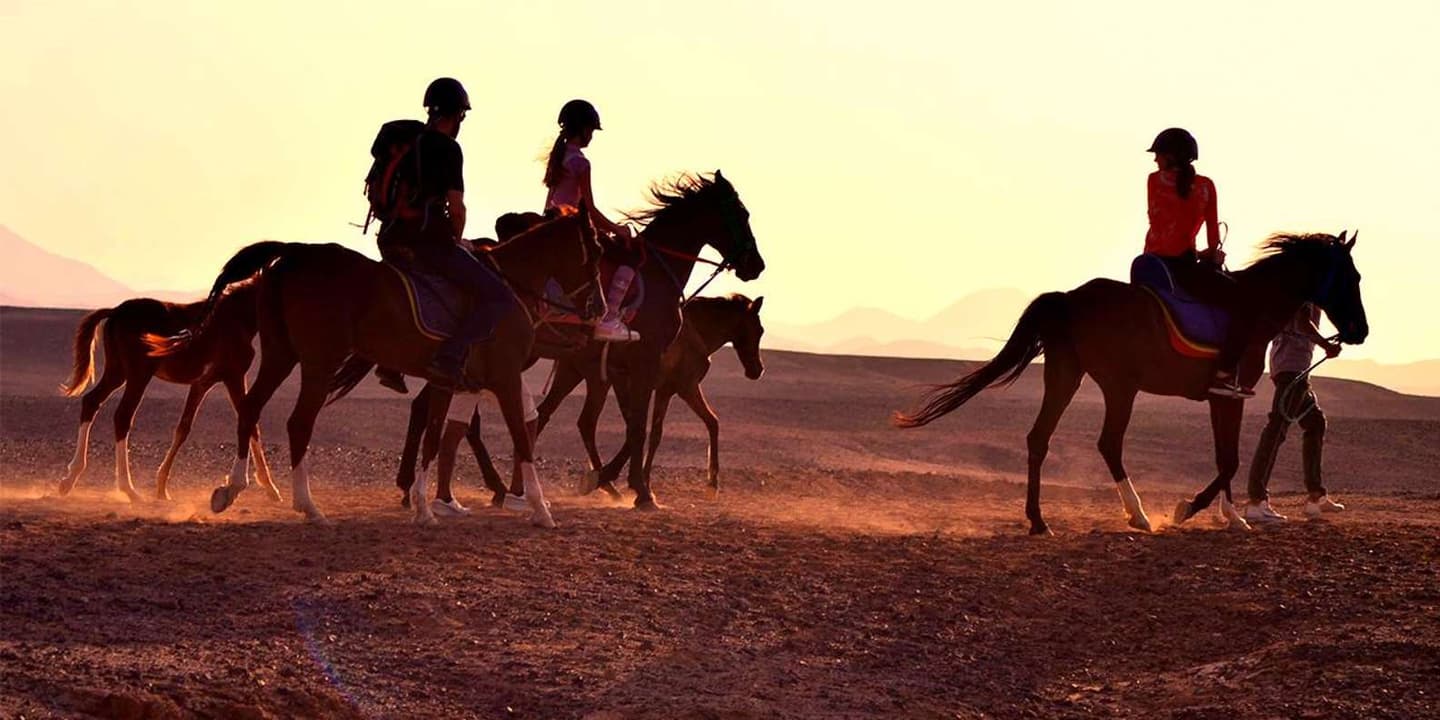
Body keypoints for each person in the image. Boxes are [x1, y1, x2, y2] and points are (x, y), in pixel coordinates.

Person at [375, 78, 516, 389]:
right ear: (458, 115)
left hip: (390, 238)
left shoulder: (409, 141)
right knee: (499, 297)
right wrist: (456, 240)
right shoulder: (448, 149)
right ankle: (449, 358)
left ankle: (391, 363)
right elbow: (457, 207)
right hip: (429, 245)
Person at [1143, 127, 1254, 398]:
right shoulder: (1205, 187)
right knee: (1245, 305)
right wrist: (1210, 254)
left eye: (1159, 154)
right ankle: (1223, 374)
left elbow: (1160, 224)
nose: (1155, 159)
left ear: (1172, 156)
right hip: (1182, 267)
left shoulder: (1153, 181)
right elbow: (1212, 236)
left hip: (1149, 264)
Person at [543, 99, 640, 343]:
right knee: (630, 256)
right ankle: (609, 318)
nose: (592, 137)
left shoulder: (558, 158)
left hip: (552, 224)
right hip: (572, 228)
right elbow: (589, 210)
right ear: (584, 130)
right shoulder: (580, 163)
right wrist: (618, 230)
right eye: (591, 131)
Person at [1244, 303, 1346, 522]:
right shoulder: (1305, 288)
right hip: (1292, 368)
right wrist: (1326, 345)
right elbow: (1302, 321)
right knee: (1276, 429)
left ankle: (1315, 496)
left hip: (1289, 366)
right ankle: (1256, 501)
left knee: (1315, 422)